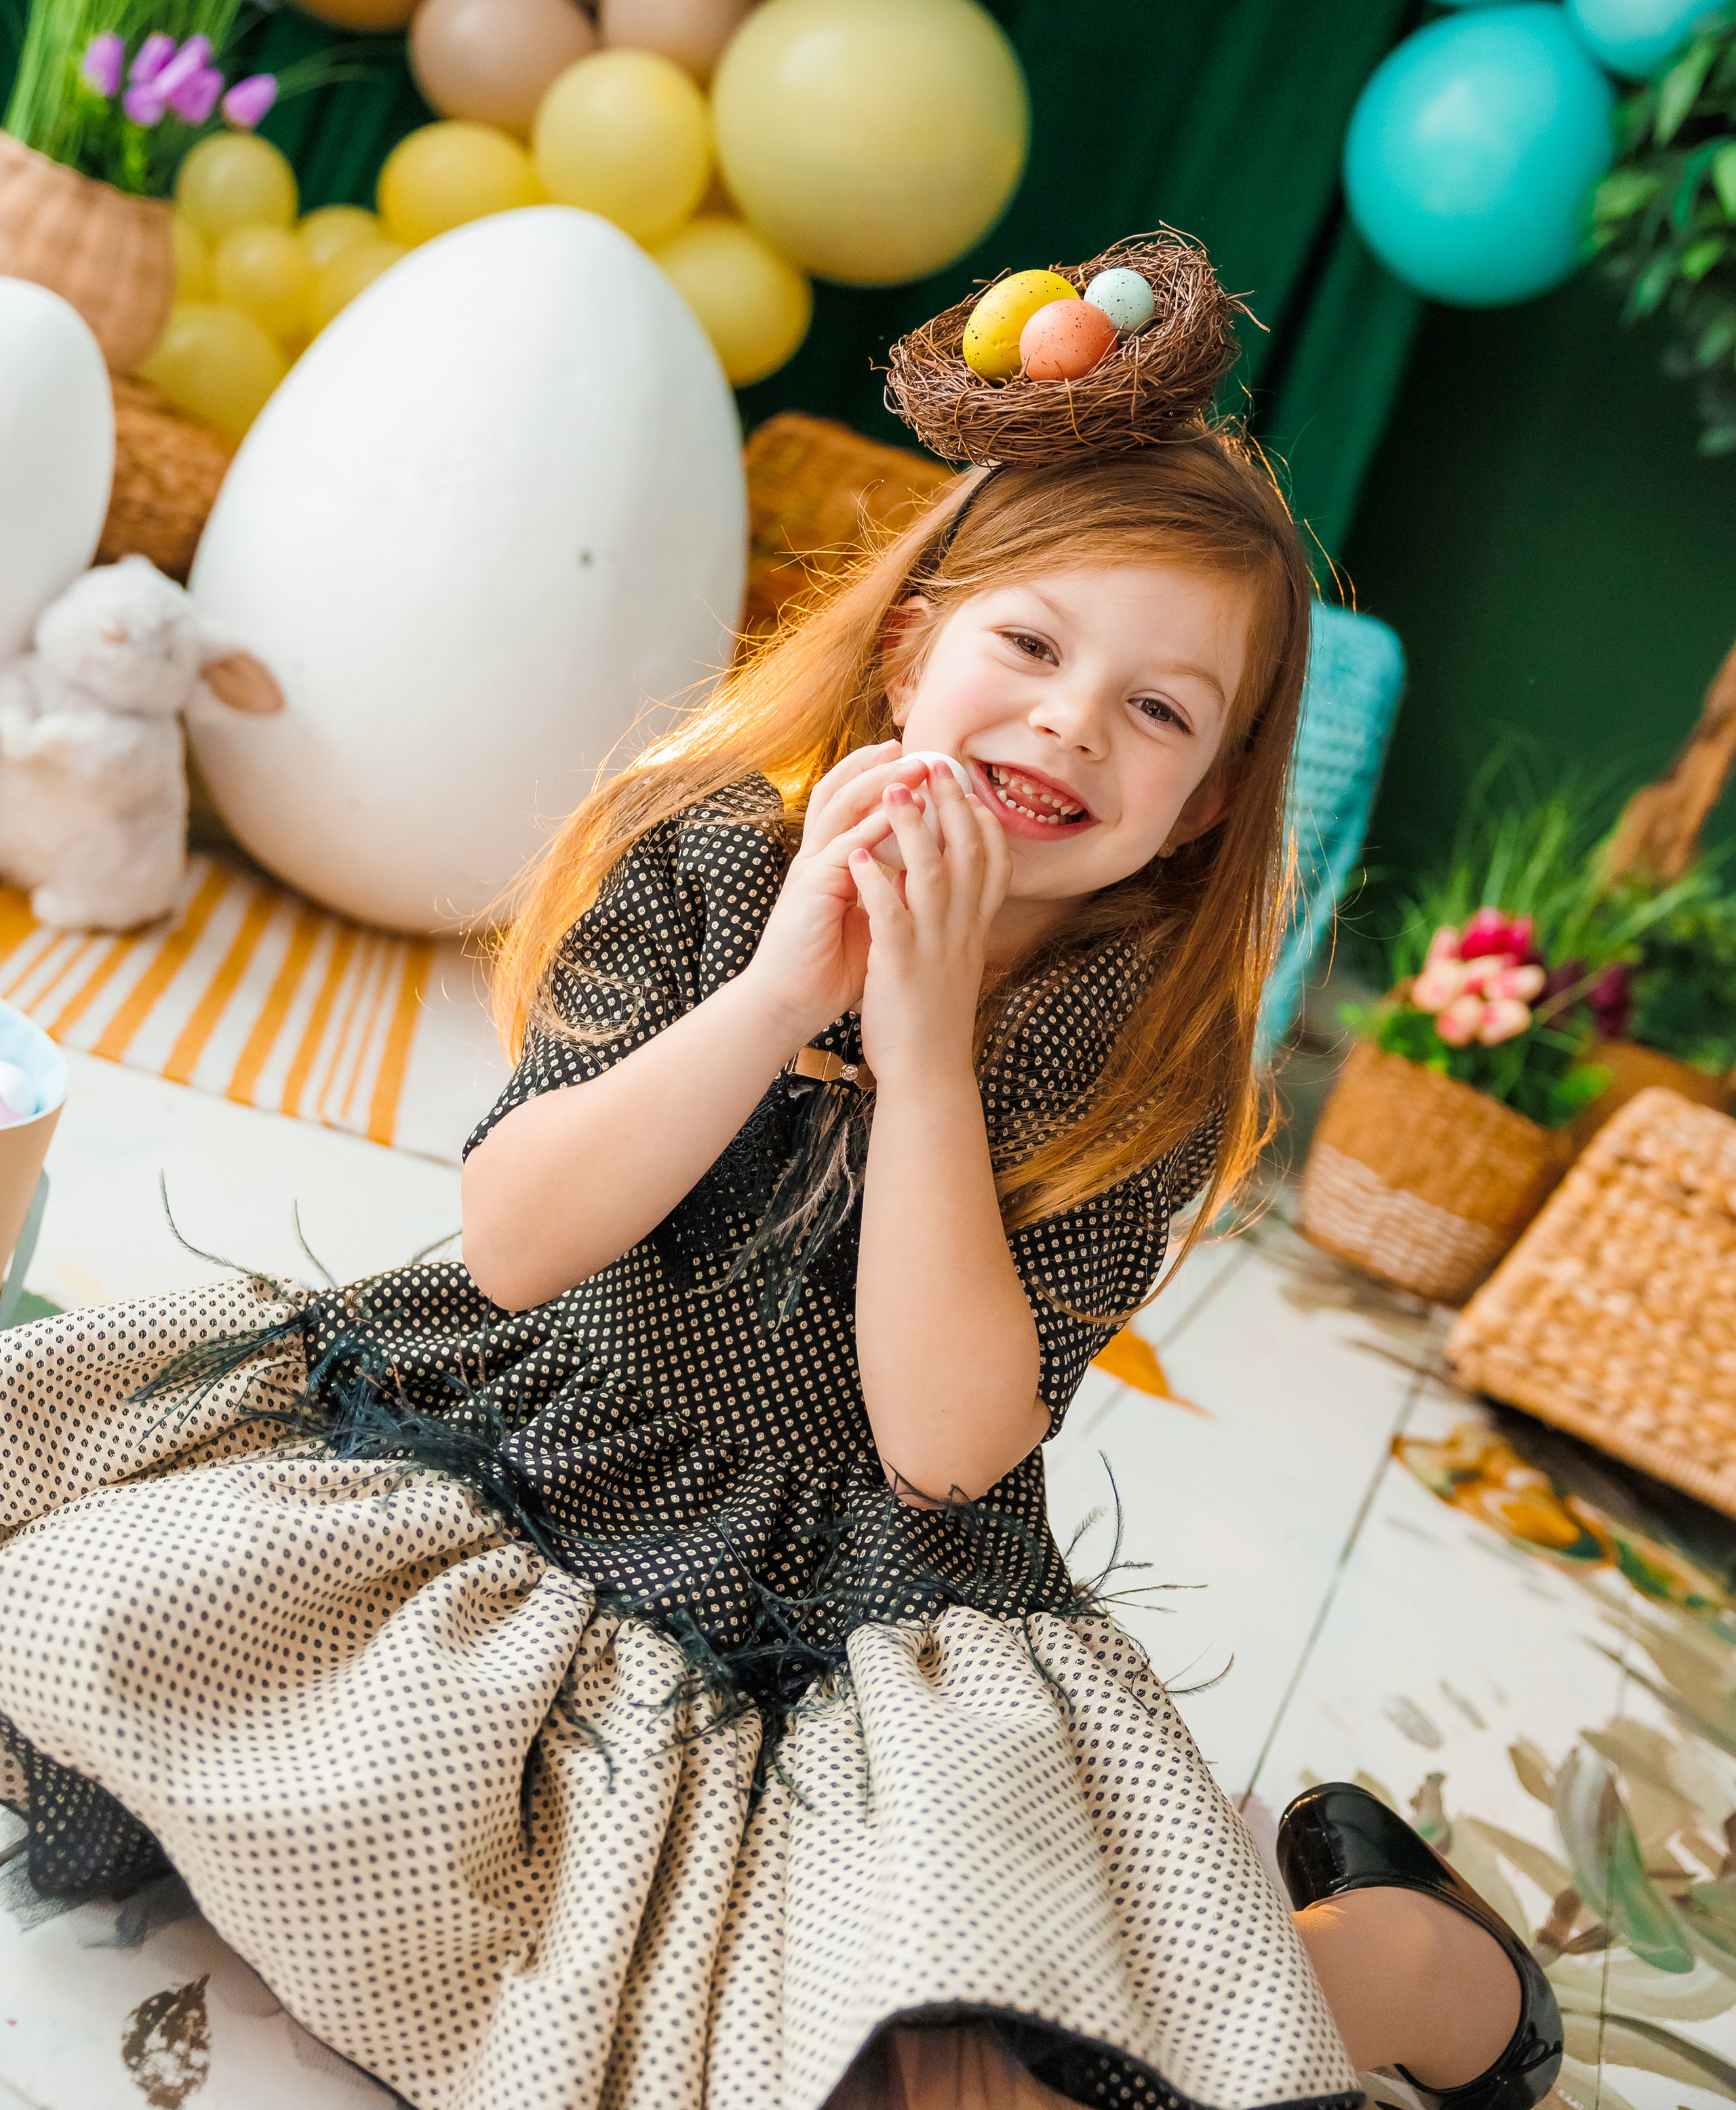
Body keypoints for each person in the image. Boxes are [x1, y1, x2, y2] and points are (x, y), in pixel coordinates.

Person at [0, 241, 1560, 2110]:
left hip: (848, 1602)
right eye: (1034, 645)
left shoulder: (1137, 1048)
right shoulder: (713, 861)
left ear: (1213, 796)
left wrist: (919, 1064)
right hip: (529, 1449)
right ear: (917, 644)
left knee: (931, 2067)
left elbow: (945, 1442)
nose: (1072, 721)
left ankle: (1387, 1959)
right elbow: (511, 1241)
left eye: (1159, 712)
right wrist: (774, 1001)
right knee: (100, 1630)